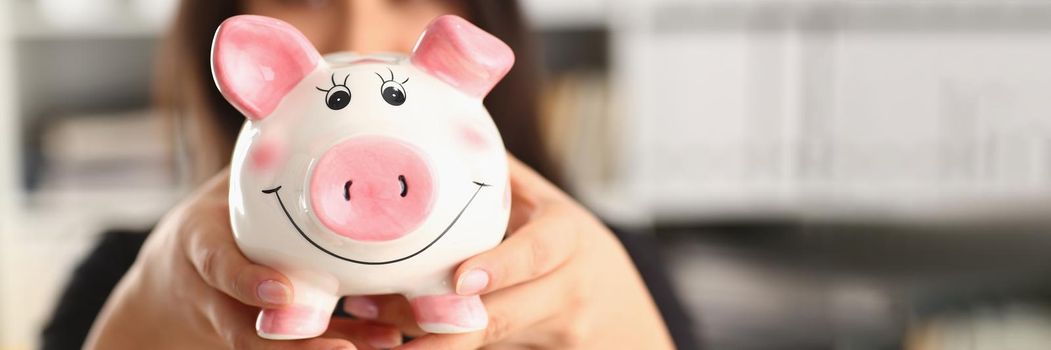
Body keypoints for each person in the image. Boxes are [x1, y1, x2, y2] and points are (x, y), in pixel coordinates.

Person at [42, 1, 696, 349]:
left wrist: (624, 334)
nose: (357, 30)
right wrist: (141, 332)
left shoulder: (607, 271)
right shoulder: (123, 279)